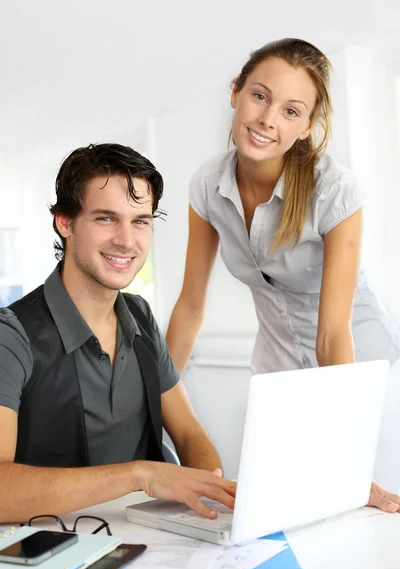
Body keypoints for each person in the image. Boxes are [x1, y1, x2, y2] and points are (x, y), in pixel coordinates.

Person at [166, 38, 400, 510]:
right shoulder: (208, 187)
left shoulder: (334, 192)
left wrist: (348, 458)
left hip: (356, 372)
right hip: (276, 373)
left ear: (307, 126)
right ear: (236, 92)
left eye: (291, 111)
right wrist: (156, 395)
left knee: (366, 509)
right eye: (260, 96)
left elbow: (333, 334)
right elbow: (191, 305)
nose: (268, 120)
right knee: (280, 509)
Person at [0, 143, 236, 523]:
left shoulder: (140, 316)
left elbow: (190, 432)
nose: (127, 241)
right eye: (107, 219)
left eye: (140, 221)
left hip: (151, 542)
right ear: (65, 223)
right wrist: (143, 475)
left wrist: (210, 493)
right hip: (55, 552)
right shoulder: (10, 334)